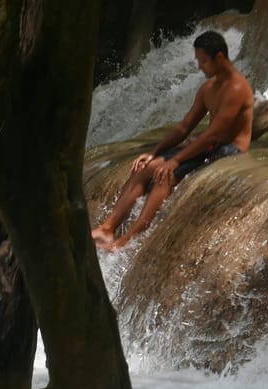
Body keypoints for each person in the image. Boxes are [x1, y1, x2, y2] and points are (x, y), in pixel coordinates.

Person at [90, 30, 254, 252]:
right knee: (147, 167)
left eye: (203, 61)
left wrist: (175, 160)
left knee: (164, 175)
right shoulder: (208, 89)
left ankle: (127, 240)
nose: (199, 66)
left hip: (230, 150)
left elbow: (213, 134)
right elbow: (184, 128)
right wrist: (155, 152)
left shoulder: (236, 88)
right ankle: (107, 229)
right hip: (210, 145)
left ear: (220, 58)